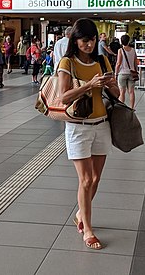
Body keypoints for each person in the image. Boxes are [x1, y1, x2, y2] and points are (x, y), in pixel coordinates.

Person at [57, 18, 120, 251]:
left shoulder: (103, 61)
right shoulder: (68, 63)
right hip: (78, 126)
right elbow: (64, 97)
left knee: (95, 179)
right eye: (85, 41)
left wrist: (107, 85)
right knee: (85, 180)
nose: (90, 45)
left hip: (101, 124)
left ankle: (79, 213)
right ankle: (88, 228)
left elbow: (117, 92)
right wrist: (89, 84)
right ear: (75, 40)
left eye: (92, 40)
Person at [115, 34, 138, 109]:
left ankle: (122, 108)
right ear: (129, 41)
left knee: (122, 92)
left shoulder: (120, 50)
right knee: (131, 92)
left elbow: (118, 63)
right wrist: (135, 71)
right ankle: (132, 107)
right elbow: (135, 62)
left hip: (122, 73)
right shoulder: (133, 50)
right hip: (131, 73)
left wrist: (116, 73)